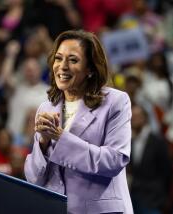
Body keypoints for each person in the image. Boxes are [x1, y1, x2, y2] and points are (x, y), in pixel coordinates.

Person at [24, 30, 133, 214]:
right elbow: (34, 179)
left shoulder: (116, 101)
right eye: (58, 58)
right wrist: (42, 143)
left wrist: (60, 137)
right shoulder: (46, 108)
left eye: (73, 60)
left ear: (90, 68)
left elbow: (115, 160)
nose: (62, 66)